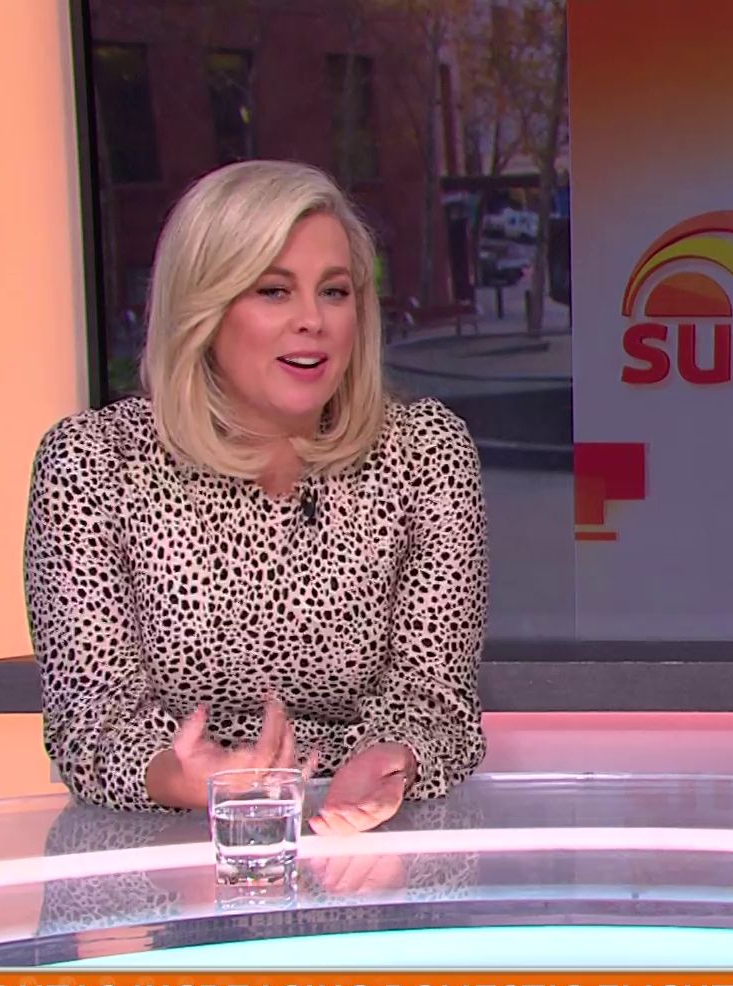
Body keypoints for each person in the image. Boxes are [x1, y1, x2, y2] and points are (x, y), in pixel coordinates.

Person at [24, 160, 487, 833]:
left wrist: (391, 761)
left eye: (334, 292)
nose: (313, 320)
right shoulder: (94, 465)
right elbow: (90, 722)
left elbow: (436, 703)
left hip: (361, 838)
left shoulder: (423, 455)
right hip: (167, 843)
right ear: (205, 308)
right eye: (274, 291)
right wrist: (183, 777)